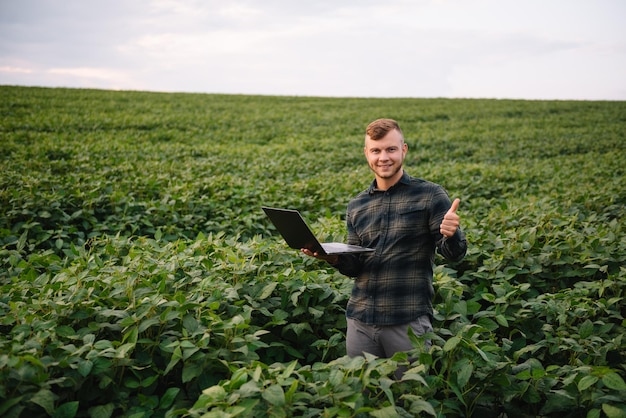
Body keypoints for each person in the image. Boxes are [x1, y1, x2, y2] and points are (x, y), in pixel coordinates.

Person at [302, 118, 467, 366]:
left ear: (404, 149)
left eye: (390, 149)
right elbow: (356, 266)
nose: (383, 157)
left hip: (407, 321)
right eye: (376, 150)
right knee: (363, 396)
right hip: (360, 321)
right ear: (366, 153)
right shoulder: (357, 205)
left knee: (411, 396)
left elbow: (455, 254)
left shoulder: (430, 195)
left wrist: (451, 233)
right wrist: (332, 257)